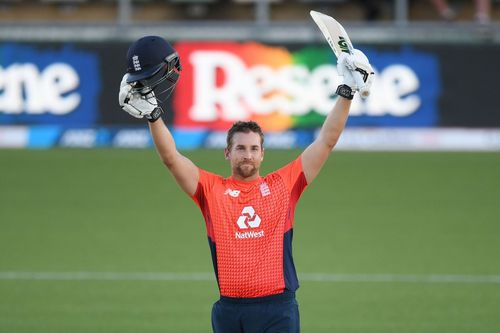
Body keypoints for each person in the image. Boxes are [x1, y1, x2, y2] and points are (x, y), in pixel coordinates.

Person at [118, 35, 374, 333]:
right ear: (227, 153)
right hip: (229, 311)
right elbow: (172, 159)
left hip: (277, 308)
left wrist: (346, 92)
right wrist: (153, 116)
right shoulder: (210, 190)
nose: (247, 154)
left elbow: (326, 142)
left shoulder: (284, 184)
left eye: (254, 148)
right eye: (240, 148)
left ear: (263, 154)